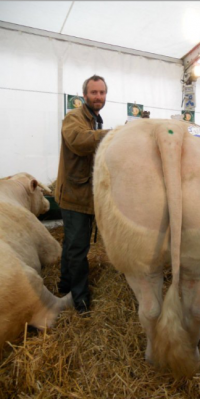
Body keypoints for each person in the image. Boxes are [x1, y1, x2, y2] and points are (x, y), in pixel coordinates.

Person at [55, 75, 110, 314]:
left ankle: (65, 284)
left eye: (102, 93)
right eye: (94, 92)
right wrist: (112, 134)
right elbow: (78, 141)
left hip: (86, 194)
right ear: (84, 95)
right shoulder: (74, 118)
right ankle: (80, 299)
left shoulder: (96, 119)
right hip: (75, 195)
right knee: (78, 249)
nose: (98, 97)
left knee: (72, 244)